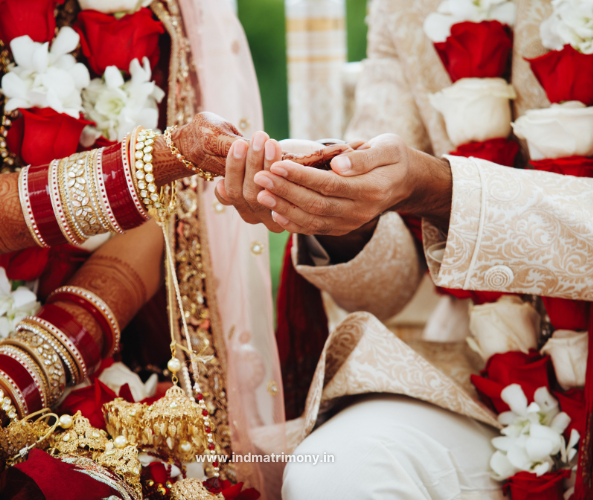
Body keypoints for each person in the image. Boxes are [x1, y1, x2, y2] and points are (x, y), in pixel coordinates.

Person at [0, 0, 318, 498]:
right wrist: (157, 162)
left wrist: (9, 384)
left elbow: (150, 231)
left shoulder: (151, 17)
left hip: (88, 365)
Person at [220, 0, 593, 498]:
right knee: (338, 472)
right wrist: (335, 213)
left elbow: (424, 185)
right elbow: (385, 288)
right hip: (487, 377)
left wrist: (440, 190)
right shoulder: (405, 6)